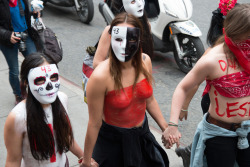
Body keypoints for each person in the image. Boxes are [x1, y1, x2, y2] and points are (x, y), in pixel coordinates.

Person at [163, 3, 250, 167]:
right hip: (220, 134)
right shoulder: (212, 59)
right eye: (249, 37)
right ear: (237, 34)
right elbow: (183, 87)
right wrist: (173, 125)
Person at [80, 13, 169, 167]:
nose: (124, 45)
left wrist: (166, 128)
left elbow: (149, 99)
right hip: (112, 143)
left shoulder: (145, 62)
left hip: (142, 137)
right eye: (119, 39)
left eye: (132, 39)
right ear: (111, 39)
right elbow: (94, 123)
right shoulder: (100, 76)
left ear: (139, 39)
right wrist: (87, 161)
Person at [3, 53, 96, 166]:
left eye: (53, 77)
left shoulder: (62, 99)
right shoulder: (17, 117)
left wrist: (83, 157)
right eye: (40, 80)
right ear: (26, 81)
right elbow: (13, 161)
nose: (49, 86)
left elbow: (66, 136)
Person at [92, 0, 153, 68]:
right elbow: (96, 63)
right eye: (133, 1)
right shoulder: (110, 30)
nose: (139, 4)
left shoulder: (147, 26)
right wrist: (121, 70)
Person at [0, 0, 38, 105]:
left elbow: (26, 14)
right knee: (14, 70)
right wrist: (7, 35)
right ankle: (18, 95)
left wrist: (35, 12)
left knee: (35, 63)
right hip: (8, 39)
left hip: (25, 34)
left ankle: (24, 83)